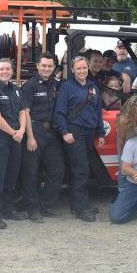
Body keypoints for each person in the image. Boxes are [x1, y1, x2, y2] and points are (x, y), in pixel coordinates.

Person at [53, 55, 105, 222]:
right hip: (74, 132)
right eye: (78, 68)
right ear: (73, 70)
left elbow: (97, 111)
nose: (82, 71)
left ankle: (80, 203)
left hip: (89, 132)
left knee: (84, 169)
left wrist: (101, 132)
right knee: (81, 169)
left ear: (87, 68)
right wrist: (64, 132)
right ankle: (80, 208)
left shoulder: (93, 86)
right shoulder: (66, 87)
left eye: (84, 68)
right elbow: (59, 112)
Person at [0, 58, 29, 229]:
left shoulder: (15, 90)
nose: (5, 72)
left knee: (11, 177)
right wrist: (13, 133)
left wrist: (22, 131)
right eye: (1, 69)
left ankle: (8, 210)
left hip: (16, 138)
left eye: (7, 69)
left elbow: (22, 111)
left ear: (12, 71)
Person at [20, 55, 64, 221]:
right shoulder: (29, 86)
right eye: (43, 65)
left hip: (51, 132)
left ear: (54, 67)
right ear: (37, 65)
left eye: (50, 66)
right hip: (35, 130)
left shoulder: (56, 84)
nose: (46, 68)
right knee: (31, 172)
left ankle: (47, 204)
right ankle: (32, 209)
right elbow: (26, 113)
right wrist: (30, 137)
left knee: (57, 169)